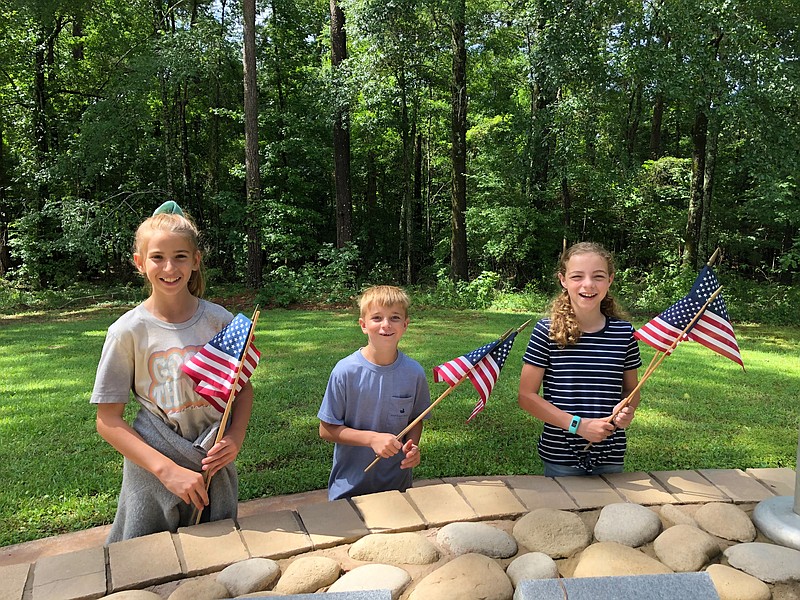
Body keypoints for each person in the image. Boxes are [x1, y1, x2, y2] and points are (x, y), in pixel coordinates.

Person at [91, 201, 253, 542]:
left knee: (214, 559)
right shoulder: (128, 331)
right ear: (139, 263)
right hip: (154, 467)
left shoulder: (218, 321)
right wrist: (167, 471)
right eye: (157, 257)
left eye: (180, 256)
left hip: (211, 463)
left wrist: (235, 437)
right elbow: (108, 420)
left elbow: (242, 386)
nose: (169, 267)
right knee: (145, 561)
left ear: (196, 261)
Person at [518, 242, 642, 477]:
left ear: (610, 280)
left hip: (611, 453)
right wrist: (579, 426)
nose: (588, 285)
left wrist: (628, 409)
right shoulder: (548, 331)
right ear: (563, 280)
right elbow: (526, 396)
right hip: (561, 456)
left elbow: (631, 390)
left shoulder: (624, 333)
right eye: (577, 276)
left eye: (598, 276)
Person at [318, 285, 431, 500]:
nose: (386, 325)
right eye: (377, 318)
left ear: (405, 325)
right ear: (363, 325)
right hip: (349, 489)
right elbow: (326, 430)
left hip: (397, 487)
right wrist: (371, 439)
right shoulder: (345, 371)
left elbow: (415, 420)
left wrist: (412, 447)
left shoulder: (414, 372)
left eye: (395, 318)